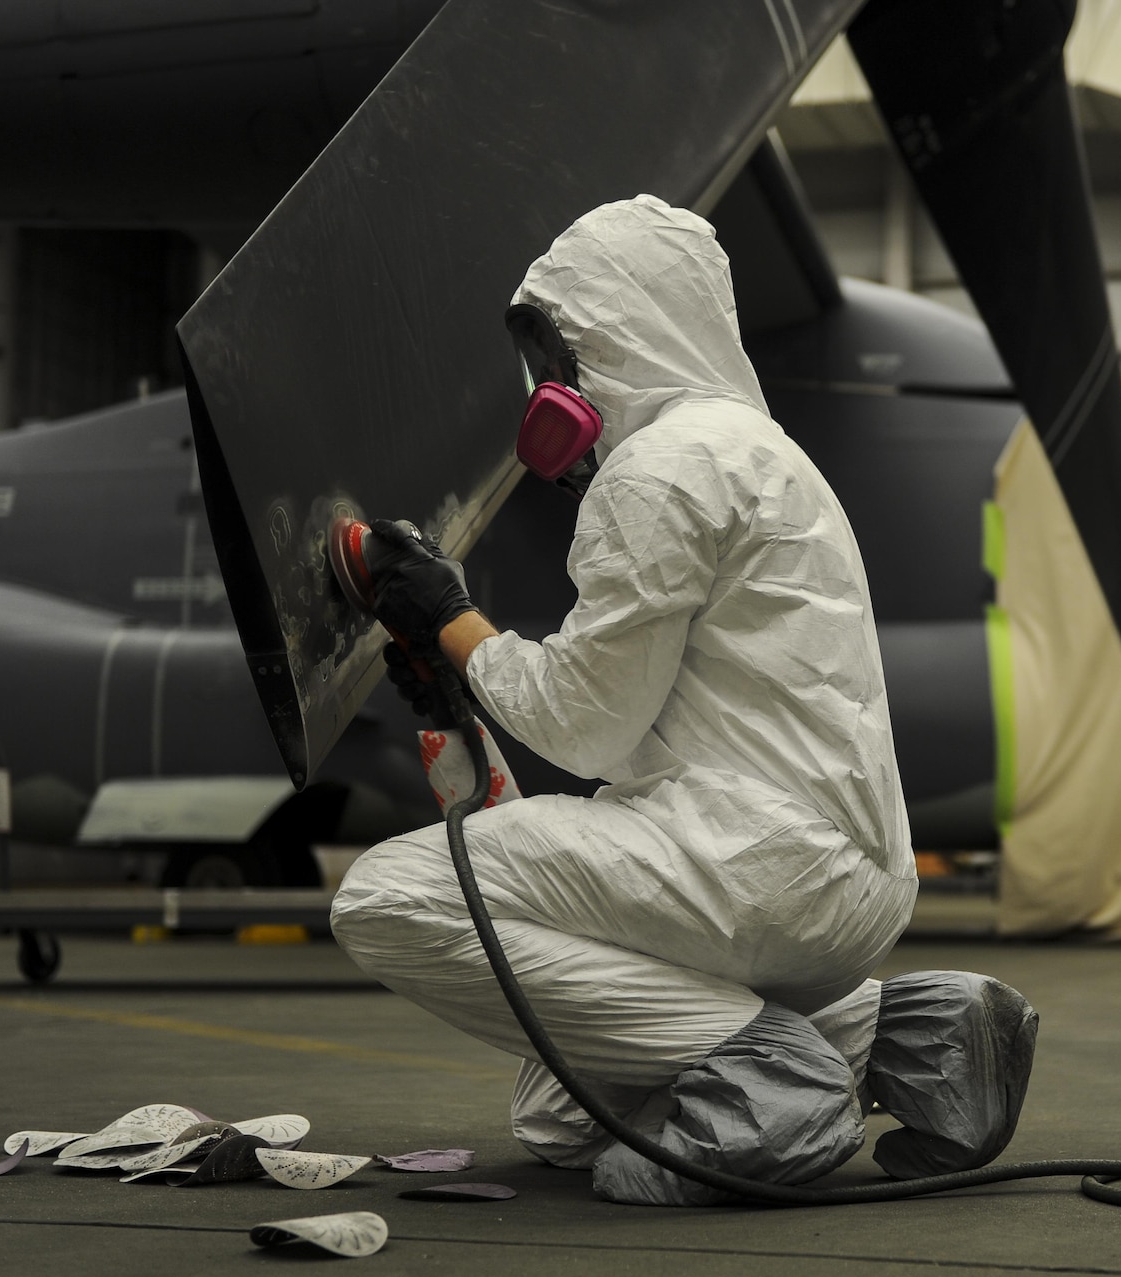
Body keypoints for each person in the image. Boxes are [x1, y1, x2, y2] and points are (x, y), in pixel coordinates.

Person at [330, 195, 1037, 1205]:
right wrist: (459, 704)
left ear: (613, 329)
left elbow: (584, 723)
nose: (545, 385)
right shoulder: (763, 455)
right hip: (832, 877)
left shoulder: (660, 470)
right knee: (555, 1118)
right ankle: (915, 1038)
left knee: (387, 898)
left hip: (754, 867)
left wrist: (451, 616)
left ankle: (770, 1079)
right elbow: (606, 776)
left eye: (555, 352)